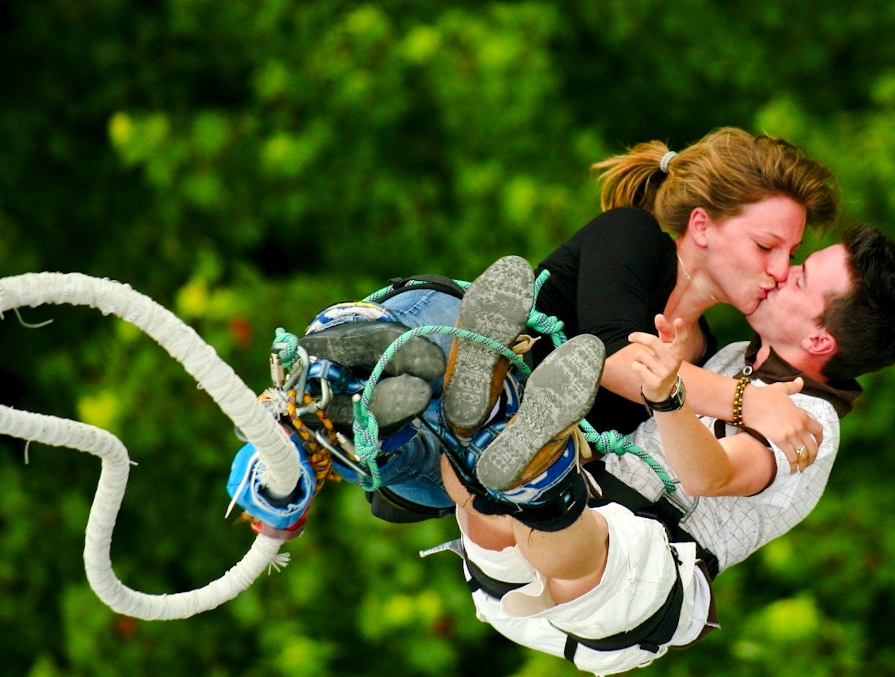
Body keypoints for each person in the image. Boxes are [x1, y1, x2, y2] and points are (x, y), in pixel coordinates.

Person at [273, 127, 842, 521]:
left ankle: (379, 425)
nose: (779, 270)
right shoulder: (633, 237)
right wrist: (750, 403)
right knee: (451, 345)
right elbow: (616, 360)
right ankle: (371, 369)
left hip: (477, 454)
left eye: (789, 253)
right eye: (768, 245)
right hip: (446, 325)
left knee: (475, 465)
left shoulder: (700, 353)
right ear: (702, 226)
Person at [435, 224, 895, 677]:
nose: (780, 274)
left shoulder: (812, 421)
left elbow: (710, 477)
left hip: (638, 578)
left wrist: (669, 397)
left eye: (799, 279)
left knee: (578, 536)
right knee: (478, 489)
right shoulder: (732, 356)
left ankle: (527, 472)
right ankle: (473, 426)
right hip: (542, 548)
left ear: (820, 338)